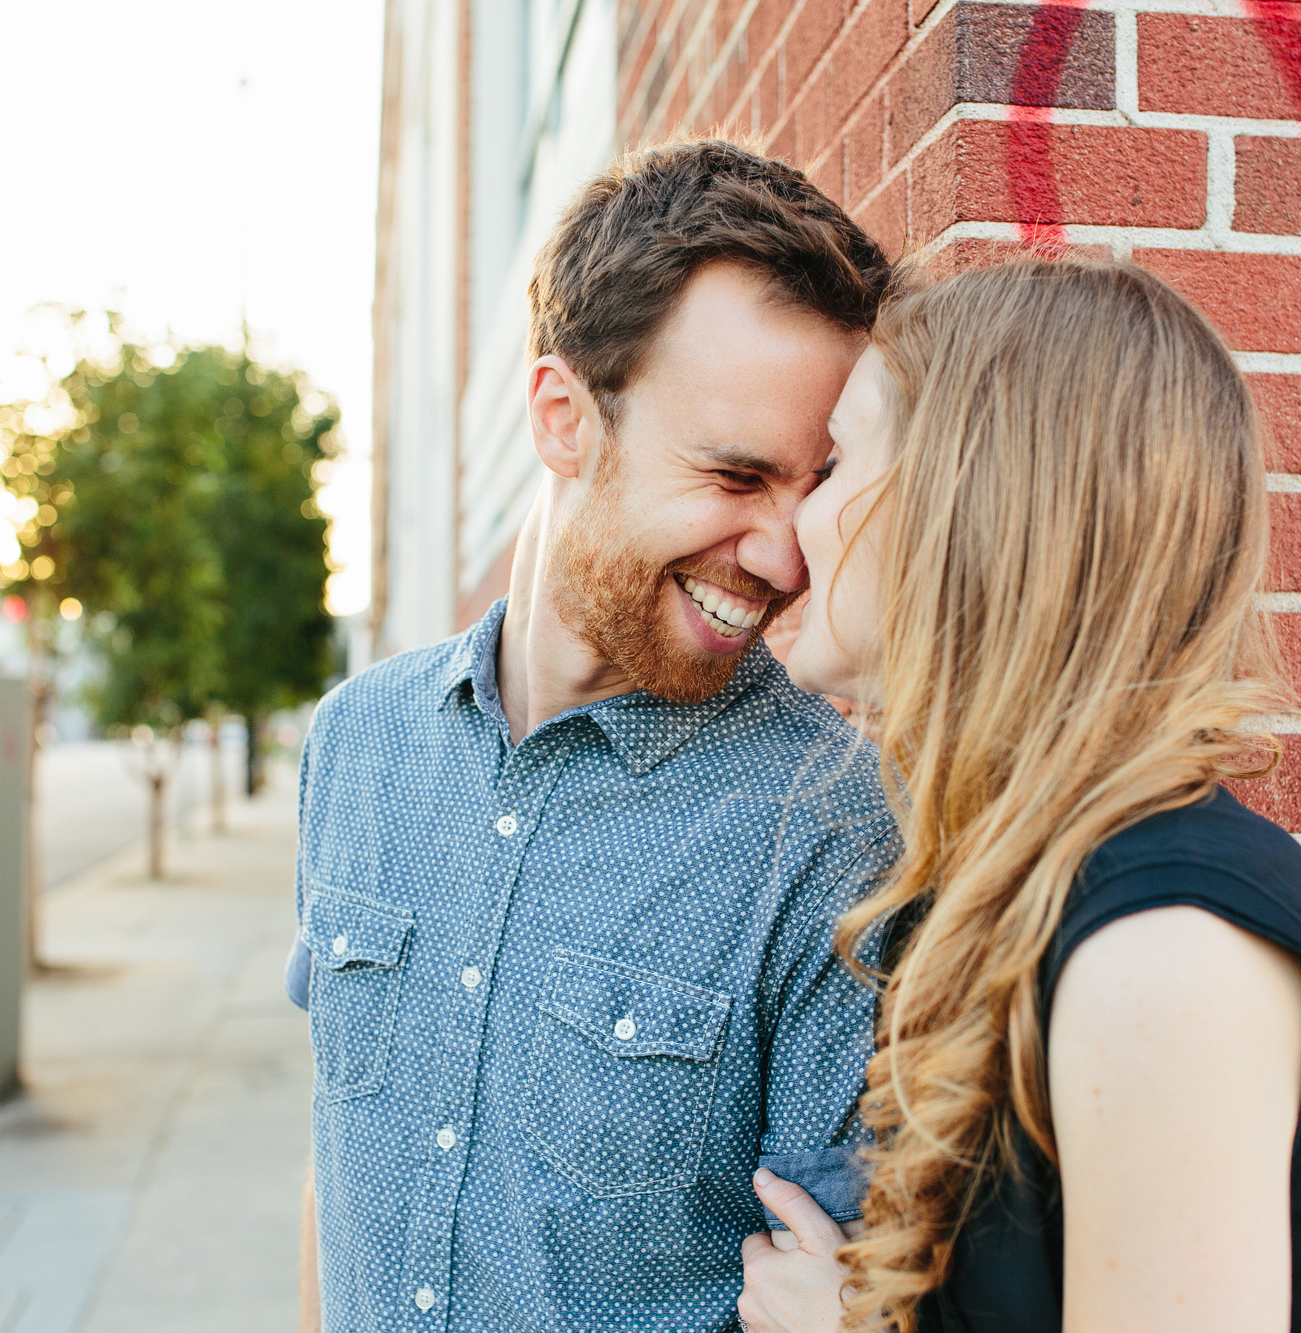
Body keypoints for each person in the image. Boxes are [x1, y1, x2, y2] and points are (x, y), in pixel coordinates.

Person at [286, 140, 900, 1330]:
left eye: (809, 485)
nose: (782, 556)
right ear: (564, 418)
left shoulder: (839, 837)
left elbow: (841, 1284)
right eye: (733, 476)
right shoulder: (355, 744)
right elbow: (333, 1162)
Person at [737, 260, 1301, 1333]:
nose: (784, 536)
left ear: (970, 496)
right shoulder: (1028, 887)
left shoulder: (1160, 940)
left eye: (830, 464)